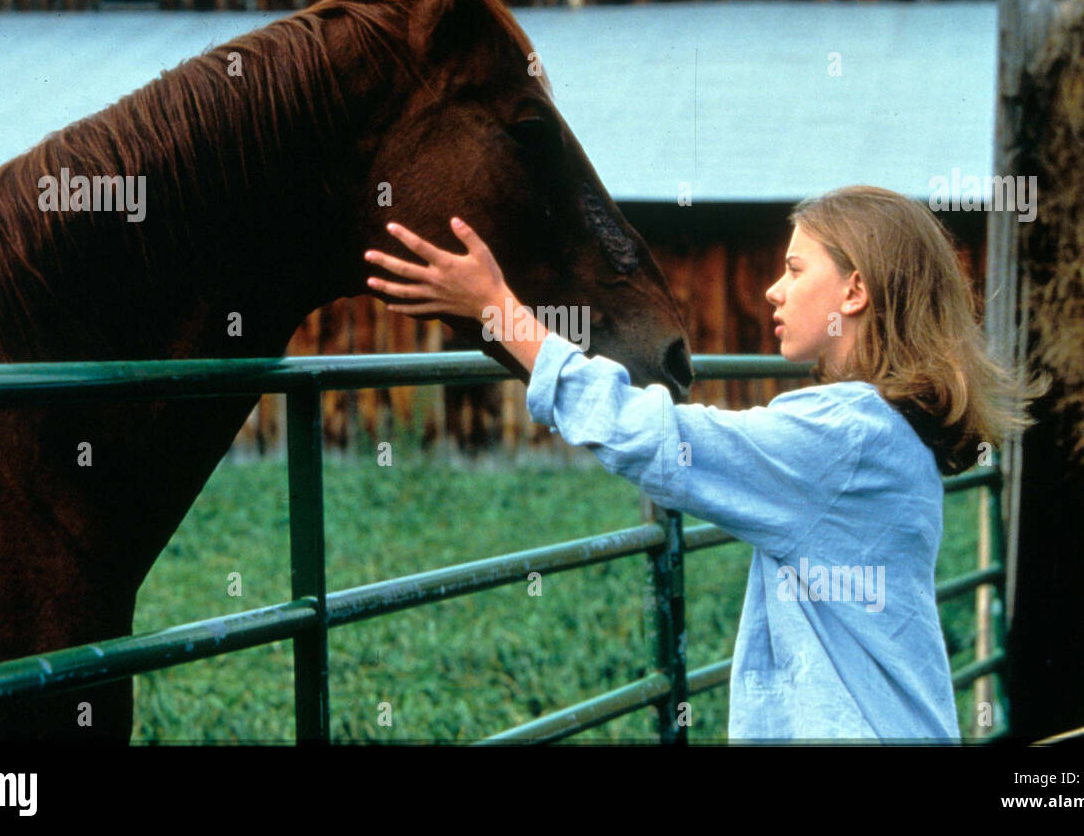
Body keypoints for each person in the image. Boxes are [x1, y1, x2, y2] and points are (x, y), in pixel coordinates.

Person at [363, 185, 1042, 743]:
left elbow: (657, 439)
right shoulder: (882, 430)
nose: (774, 290)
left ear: (855, 291)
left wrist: (499, 312)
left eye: (796, 269)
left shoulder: (845, 435)